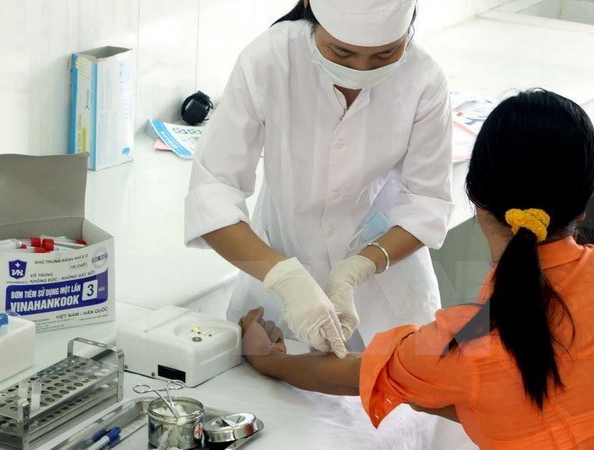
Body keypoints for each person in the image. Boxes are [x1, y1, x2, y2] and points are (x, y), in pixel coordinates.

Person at [239, 89, 594, 448]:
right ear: (581, 208)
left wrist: (270, 360)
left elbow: (357, 374)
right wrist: (422, 387)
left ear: (475, 199)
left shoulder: (462, 344)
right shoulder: (475, 334)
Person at [185, 0, 453, 357]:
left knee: (394, 401)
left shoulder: (424, 78)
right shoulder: (270, 60)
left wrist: (361, 266)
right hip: (276, 288)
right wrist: (285, 279)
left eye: (385, 54)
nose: (360, 69)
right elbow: (212, 193)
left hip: (387, 297)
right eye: (342, 52)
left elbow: (427, 203)